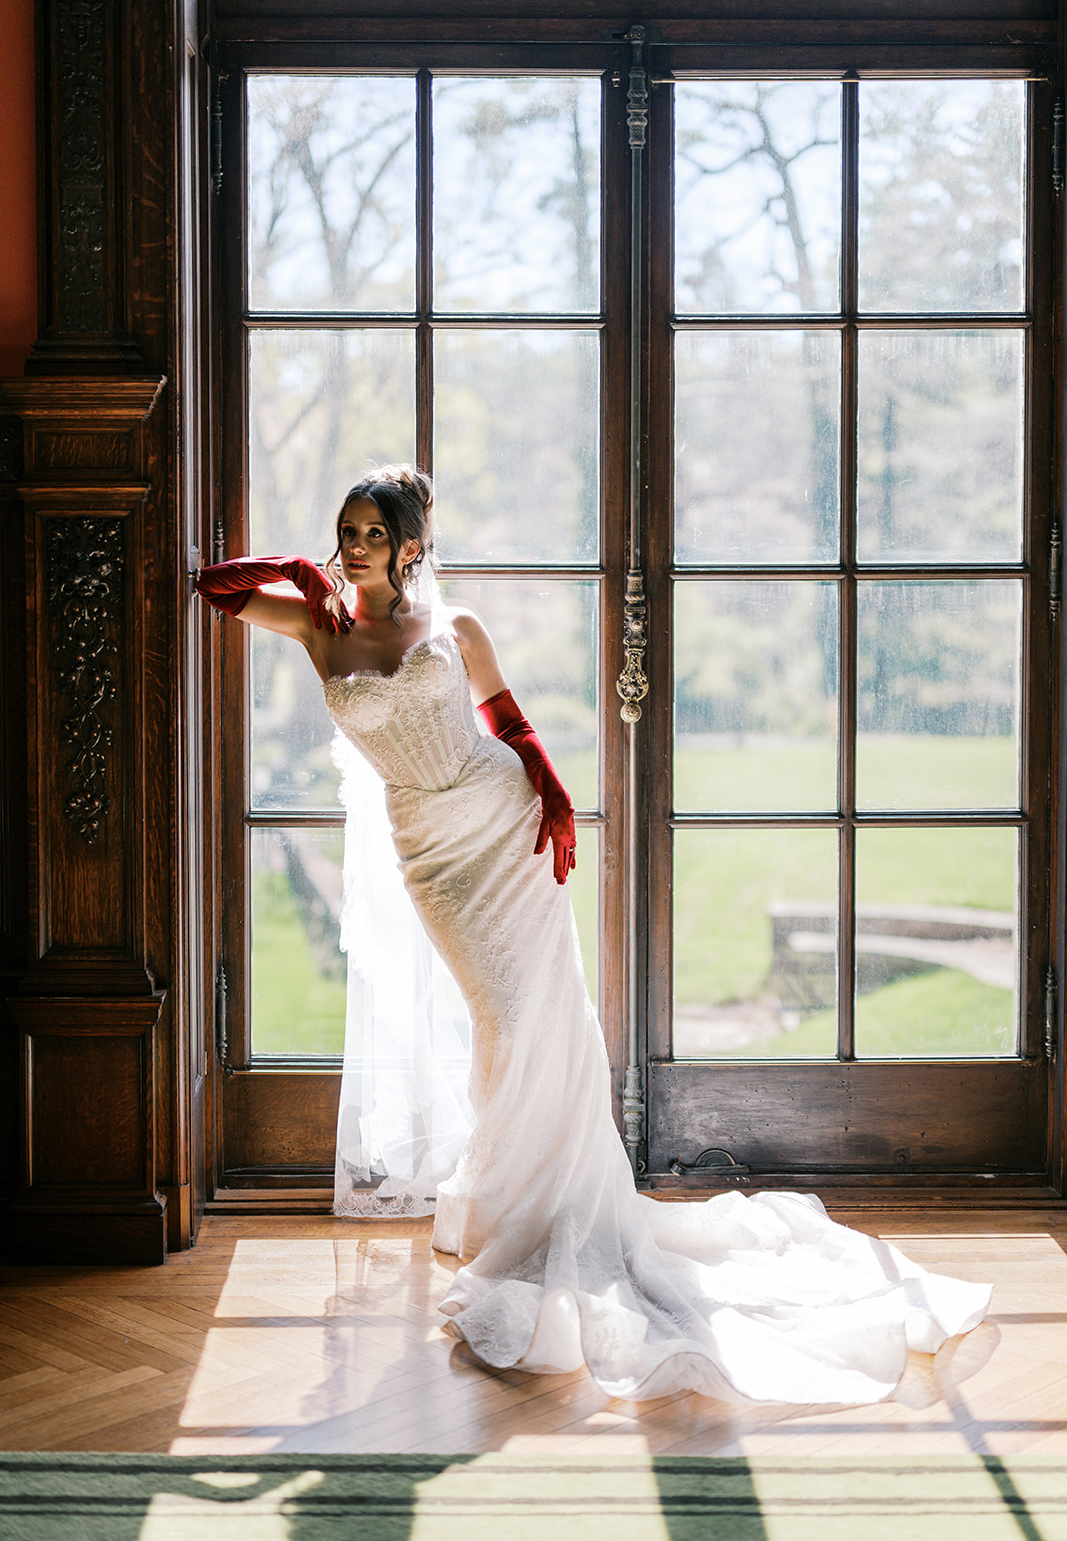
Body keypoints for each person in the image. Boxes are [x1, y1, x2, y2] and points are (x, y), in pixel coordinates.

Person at [196, 464, 992, 1407]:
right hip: (430, 848)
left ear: (413, 546)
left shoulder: (455, 630)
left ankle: (547, 1201)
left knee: (537, 1011)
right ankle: (517, 1200)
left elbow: (508, 720)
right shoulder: (316, 626)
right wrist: (295, 565)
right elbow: (215, 588)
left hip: (502, 821)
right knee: (499, 1015)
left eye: (375, 531)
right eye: (346, 529)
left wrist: (554, 794)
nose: (357, 544)